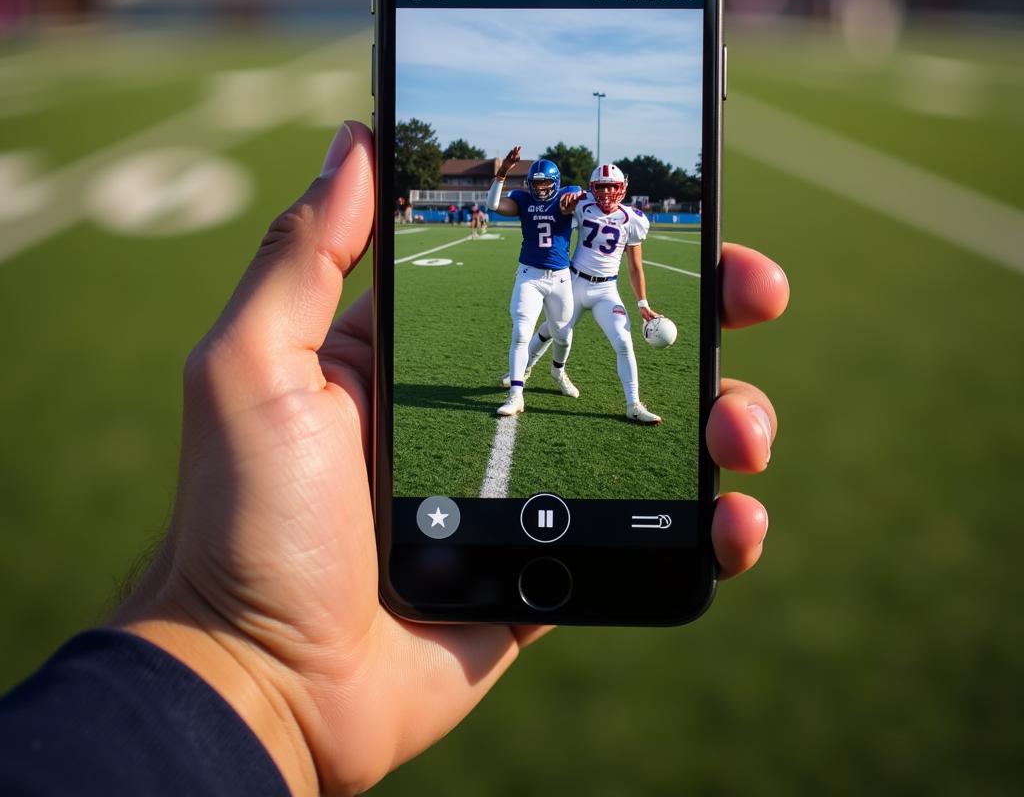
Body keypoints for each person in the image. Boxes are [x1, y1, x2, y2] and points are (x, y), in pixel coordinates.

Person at [0, 120, 789, 796]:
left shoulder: (602, 208)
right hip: (541, 278)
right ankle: (522, 382)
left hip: (584, 287)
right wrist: (252, 657)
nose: (594, 193)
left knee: (589, 341)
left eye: (598, 188)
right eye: (586, 186)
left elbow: (605, 215)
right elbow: (509, 196)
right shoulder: (541, 201)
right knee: (527, 334)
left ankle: (598, 388)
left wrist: (252, 670)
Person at [508, 163, 663, 423]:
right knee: (556, 330)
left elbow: (635, 268)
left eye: (611, 186)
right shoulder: (581, 204)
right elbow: (557, 207)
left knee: (623, 341)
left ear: (621, 187)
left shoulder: (633, 219)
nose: (606, 192)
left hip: (606, 289)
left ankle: (633, 404)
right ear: (593, 188)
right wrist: (568, 199)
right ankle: (524, 369)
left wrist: (642, 303)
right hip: (574, 282)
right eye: (601, 187)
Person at [487, 146, 581, 416]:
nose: (540, 188)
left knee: (563, 335)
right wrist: (503, 171)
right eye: (536, 183)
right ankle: (516, 394)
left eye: (545, 183)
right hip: (530, 275)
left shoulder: (567, 194)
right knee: (520, 333)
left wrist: (576, 199)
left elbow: (578, 198)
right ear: (529, 184)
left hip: (560, 278)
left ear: (556, 184)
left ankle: (558, 372)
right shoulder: (522, 199)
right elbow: (493, 205)